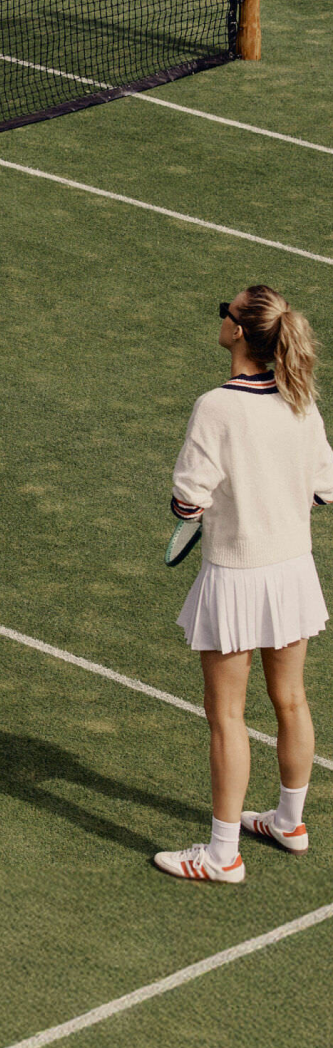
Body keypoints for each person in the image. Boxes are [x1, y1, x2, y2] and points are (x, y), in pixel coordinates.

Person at [154, 286, 332, 883]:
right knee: (292, 700)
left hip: (236, 577)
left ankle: (222, 855)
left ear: (237, 332)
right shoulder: (302, 401)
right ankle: (288, 822)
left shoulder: (216, 407)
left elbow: (188, 498)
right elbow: (325, 487)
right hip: (292, 572)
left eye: (222, 311)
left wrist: (195, 513)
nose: (220, 317)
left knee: (226, 714)